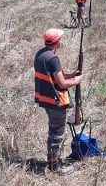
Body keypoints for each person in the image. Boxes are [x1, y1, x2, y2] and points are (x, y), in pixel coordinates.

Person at [34, 28, 83, 175]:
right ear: (56, 41)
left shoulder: (41, 54)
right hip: (56, 102)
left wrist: (71, 75)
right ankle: (55, 167)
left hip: (45, 99)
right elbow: (61, 84)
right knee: (56, 135)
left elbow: (56, 77)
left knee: (53, 131)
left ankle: (53, 161)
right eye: (60, 39)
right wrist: (77, 80)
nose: (61, 41)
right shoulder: (53, 59)